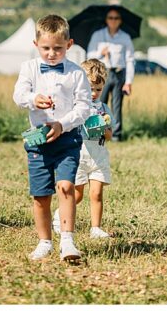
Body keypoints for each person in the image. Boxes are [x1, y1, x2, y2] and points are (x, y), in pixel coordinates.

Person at [14, 15, 92, 261]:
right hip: (37, 140)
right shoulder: (29, 68)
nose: (51, 54)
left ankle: (67, 241)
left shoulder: (76, 74)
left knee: (66, 187)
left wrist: (62, 124)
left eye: (58, 48)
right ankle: (44, 241)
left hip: (67, 138)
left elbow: (84, 107)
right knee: (41, 195)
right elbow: (19, 95)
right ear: (36, 44)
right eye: (46, 48)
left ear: (69, 45)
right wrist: (32, 99)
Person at [52, 58, 114, 239]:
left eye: (98, 89)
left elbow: (110, 135)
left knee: (96, 193)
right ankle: (58, 216)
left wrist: (103, 127)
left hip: (98, 156)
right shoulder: (76, 107)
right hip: (79, 154)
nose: (94, 93)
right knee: (76, 195)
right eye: (90, 89)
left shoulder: (103, 109)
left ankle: (95, 228)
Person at [86, 6, 135, 142]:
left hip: (119, 73)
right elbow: (89, 55)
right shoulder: (98, 35)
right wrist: (100, 53)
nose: (113, 20)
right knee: (98, 103)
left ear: (120, 21)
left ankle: (116, 135)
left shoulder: (125, 37)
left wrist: (129, 81)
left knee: (117, 105)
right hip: (102, 73)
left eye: (116, 18)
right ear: (106, 20)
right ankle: (97, 131)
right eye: (110, 18)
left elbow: (130, 60)